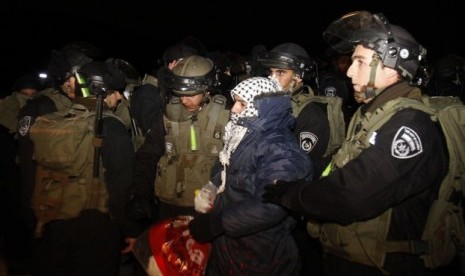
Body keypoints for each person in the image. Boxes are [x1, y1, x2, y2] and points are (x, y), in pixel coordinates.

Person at [262, 10, 450, 275]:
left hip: (384, 266)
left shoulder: (411, 126)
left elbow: (351, 194)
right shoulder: (372, 114)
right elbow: (337, 167)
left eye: (360, 62)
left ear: (392, 65)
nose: (349, 71)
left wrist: (290, 194)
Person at [188, 77, 313, 275]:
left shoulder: (281, 148)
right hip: (228, 251)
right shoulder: (244, 135)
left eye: (242, 103)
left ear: (261, 108)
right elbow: (229, 170)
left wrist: (219, 223)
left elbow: (272, 204)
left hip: (261, 257)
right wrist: (212, 187)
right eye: (234, 102)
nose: (234, 109)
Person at [29, 61, 141, 276]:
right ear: (103, 93)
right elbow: (121, 188)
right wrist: (130, 230)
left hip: (52, 218)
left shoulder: (54, 121)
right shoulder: (113, 127)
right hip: (95, 225)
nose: (119, 97)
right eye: (116, 92)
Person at [126, 55, 230, 223]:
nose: (184, 100)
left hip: (208, 209)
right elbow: (147, 156)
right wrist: (139, 194)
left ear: (207, 89)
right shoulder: (168, 116)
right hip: (168, 206)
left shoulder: (226, 116)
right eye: (180, 94)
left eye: (190, 94)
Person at [0, 74, 41, 275]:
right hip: (9, 177)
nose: (29, 99)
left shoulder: (37, 112)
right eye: (25, 95)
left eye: (33, 95)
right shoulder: (5, 111)